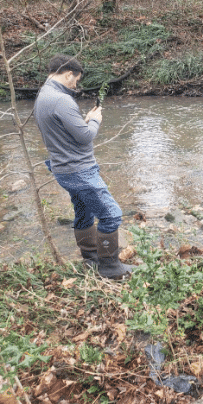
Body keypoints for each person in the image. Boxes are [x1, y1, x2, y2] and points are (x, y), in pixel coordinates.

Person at [33, 54, 134, 279]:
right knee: (111, 215)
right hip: (79, 171)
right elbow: (85, 137)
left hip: (63, 168)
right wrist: (95, 120)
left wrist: (85, 119)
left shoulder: (44, 94)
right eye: (75, 80)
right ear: (68, 73)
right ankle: (110, 267)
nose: (76, 84)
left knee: (84, 212)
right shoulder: (61, 99)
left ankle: (91, 260)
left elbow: (66, 131)